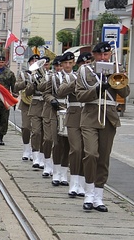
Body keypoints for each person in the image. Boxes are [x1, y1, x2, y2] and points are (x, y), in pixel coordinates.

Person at [75, 41, 130, 212]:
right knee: (91, 153)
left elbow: (125, 93)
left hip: (109, 117)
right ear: (94, 54)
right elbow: (80, 95)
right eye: (100, 54)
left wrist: (118, 77)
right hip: (91, 115)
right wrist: (99, 88)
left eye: (106, 55)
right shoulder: (85, 71)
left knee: (104, 158)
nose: (103, 57)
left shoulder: (116, 68)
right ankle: (89, 192)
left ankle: (98, 196)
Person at [57, 52, 86, 196]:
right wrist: (76, 81)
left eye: (71, 63)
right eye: (65, 63)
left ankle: (81, 184)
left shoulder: (93, 76)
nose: (68, 66)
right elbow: (60, 91)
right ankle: (73, 183)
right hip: (74, 114)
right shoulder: (68, 77)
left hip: (89, 115)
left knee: (87, 151)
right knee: (76, 149)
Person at [13, 56, 35, 160]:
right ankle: (26, 148)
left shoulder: (45, 75)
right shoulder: (23, 74)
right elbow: (16, 87)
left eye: (36, 61)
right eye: (32, 61)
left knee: (37, 130)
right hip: (26, 104)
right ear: (29, 63)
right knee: (26, 127)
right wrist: (25, 82)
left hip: (39, 104)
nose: (34, 63)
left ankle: (35, 151)